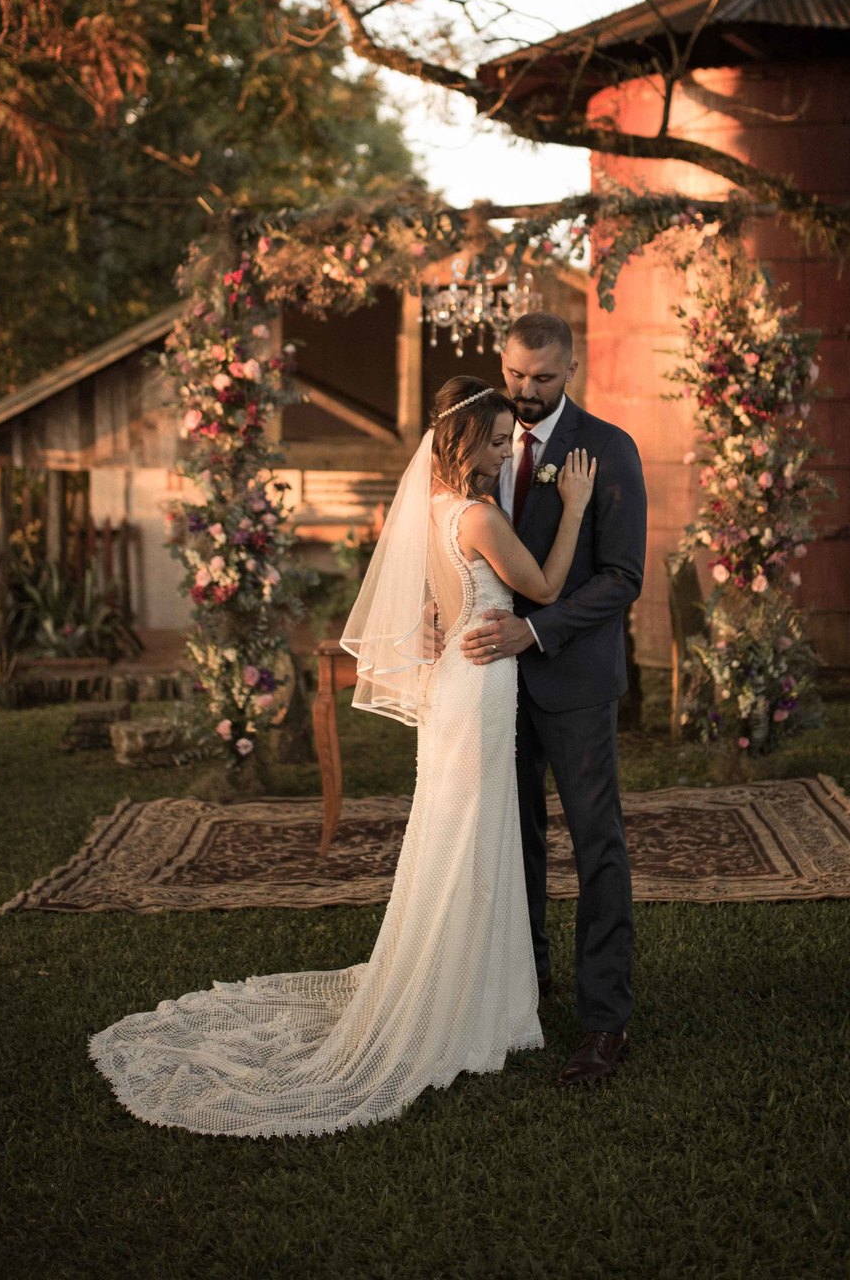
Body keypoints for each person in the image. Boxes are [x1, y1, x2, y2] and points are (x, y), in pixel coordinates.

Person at [87, 376, 595, 1138]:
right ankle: (458, 1000)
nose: (502, 450)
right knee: (469, 839)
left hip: (460, 680)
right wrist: (578, 507)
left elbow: (438, 597)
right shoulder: (481, 516)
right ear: (463, 443)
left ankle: (483, 993)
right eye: (493, 440)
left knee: (463, 835)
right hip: (480, 685)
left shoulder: (430, 510)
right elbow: (547, 586)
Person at [461, 311, 647, 1089]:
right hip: (493, 688)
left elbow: (621, 578)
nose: (525, 393)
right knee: (517, 841)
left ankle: (605, 1020)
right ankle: (525, 995)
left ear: (571, 369)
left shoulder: (609, 449)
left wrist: (533, 634)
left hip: (571, 680)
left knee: (595, 844)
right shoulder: (481, 439)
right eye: (513, 376)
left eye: (541, 379)